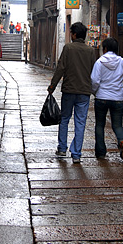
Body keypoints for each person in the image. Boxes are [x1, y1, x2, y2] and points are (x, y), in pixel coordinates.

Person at [48, 22, 95, 164]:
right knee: (80, 122)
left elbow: (61, 68)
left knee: (64, 118)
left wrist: (52, 85)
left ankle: (62, 148)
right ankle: (76, 154)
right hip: (84, 92)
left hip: (69, 90)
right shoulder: (91, 51)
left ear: (74, 34)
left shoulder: (68, 48)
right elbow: (94, 71)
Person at [91, 37, 123, 159]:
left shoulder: (99, 62)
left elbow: (95, 80)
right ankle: (122, 141)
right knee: (117, 125)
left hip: (102, 97)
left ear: (105, 49)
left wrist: (95, 92)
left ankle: (101, 152)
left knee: (100, 125)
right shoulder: (122, 61)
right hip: (117, 98)